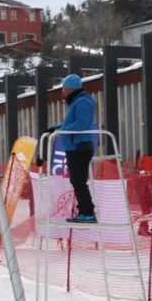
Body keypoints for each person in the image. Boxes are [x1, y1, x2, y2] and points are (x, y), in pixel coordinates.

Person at [46, 73, 97, 223]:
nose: (62, 91)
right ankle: (85, 211)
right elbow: (70, 123)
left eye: (64, 88)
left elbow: (81, 124)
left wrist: (62, 131)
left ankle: (88, 212)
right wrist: (56, 128)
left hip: (79, 146)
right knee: (76, 180)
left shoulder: (82, 102)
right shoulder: (77, 102)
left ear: (70, 88)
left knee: (78, 180)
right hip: (74, 146)